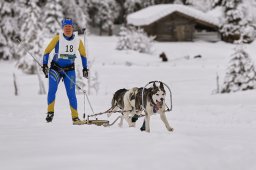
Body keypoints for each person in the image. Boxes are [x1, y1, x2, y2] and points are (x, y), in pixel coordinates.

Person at [42, 18, 89, 125]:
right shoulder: (57, 38)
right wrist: (44, 65)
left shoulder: (78, 40)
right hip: (55, 69)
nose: (67, 29)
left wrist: (85, 68)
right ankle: (50, 113)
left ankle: (75, 118)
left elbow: (83, 55)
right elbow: (47, 51)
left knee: (71, 94)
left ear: (73, 28)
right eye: (65, 27)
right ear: (63, 28)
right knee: (52, 90)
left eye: (69, 27)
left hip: (69, 70)